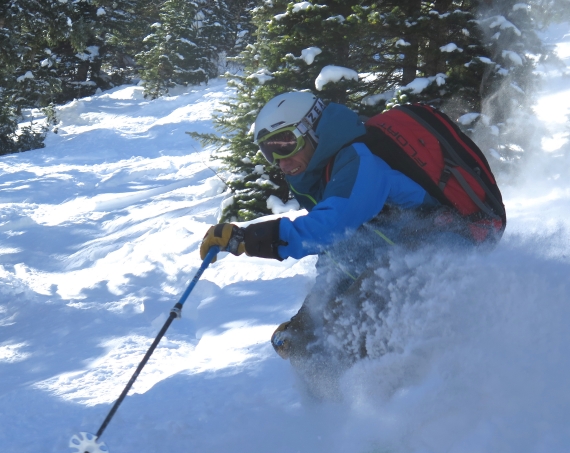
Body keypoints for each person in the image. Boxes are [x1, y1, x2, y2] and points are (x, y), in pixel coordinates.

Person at [199, 92, 485, 394]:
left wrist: (248, 238)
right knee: (307, 339)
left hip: (444, 247)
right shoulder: (325, 175)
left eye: (285, 144)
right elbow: (342, 252)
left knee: (353, 319)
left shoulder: (361, 161)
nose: (282, 162)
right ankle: (338, 412)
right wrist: (308, 316)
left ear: (313, 130)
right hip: (401, 252)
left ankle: (389, 420)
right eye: (271, 152)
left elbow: (329, 227)